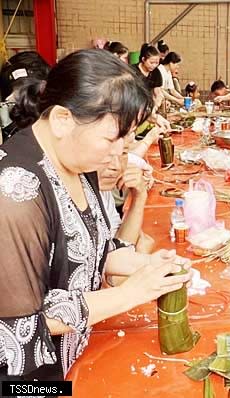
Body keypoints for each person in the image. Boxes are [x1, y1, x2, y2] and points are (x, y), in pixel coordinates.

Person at [0, 49, 191, 384]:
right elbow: (28, 321)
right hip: (28, 385)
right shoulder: (16, 192)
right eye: (111, 138)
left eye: (126, 138)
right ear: (62, 120)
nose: (119, 152)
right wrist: (132, 293)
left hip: (75, 356)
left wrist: (146, 267)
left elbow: (90, 250)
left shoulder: (77, 159)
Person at [98, 146, 154, 254]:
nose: (116, 166)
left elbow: (120, 247)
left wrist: (140, 196)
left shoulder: (103, 191)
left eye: (123, 153)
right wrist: (140, 257)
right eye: (105, 153)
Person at [133, 44, 169, 130]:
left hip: (148, 110)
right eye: (151, 62)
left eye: (157, 63)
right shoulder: (132, 71)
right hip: (134, 109)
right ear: (143, 59)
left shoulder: (156, 72)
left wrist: (154, 108)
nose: (154, 66)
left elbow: (158, 93)